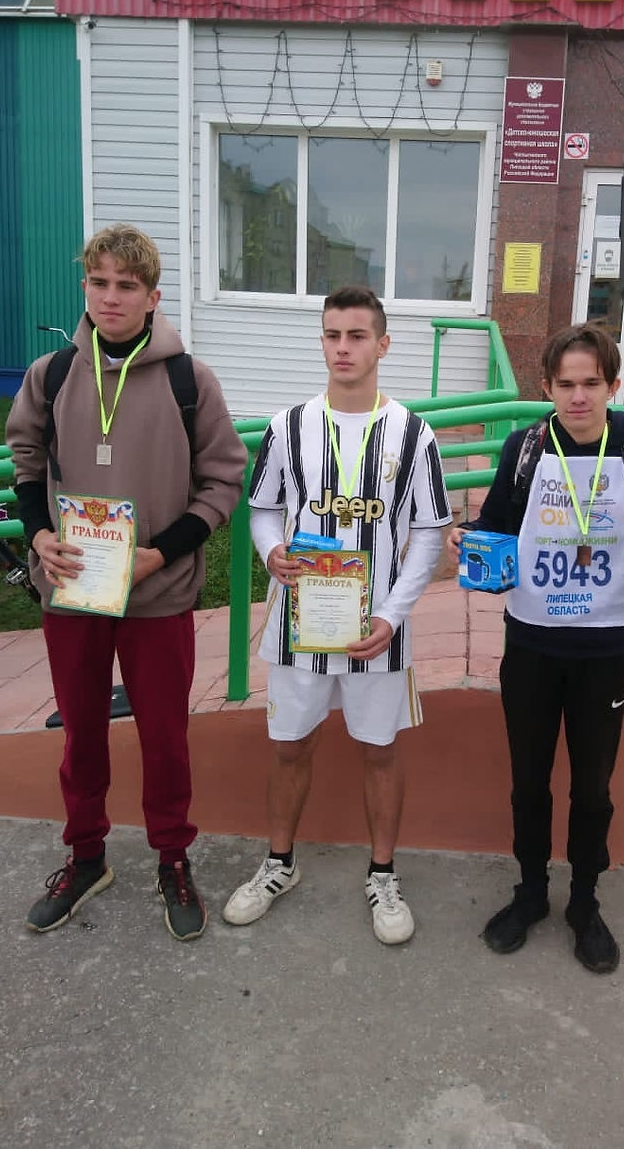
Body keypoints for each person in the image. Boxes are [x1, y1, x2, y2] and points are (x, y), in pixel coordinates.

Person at [448, 322, 624, 973]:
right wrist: (467, 536)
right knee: (528, 780)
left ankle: (584, 902)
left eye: (591, 383)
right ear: (546, 387)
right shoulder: (524, 448)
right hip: (531, 642)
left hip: (604, 648)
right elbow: (495, 521)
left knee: (594, 787)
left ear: (613, 385)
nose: (578, 397)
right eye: (565, 384)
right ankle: (530, 892)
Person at [6, 224, 246, 941]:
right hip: (74, 590)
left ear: (152, 297)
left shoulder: (189, 380)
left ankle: (173, 857)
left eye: (126, 286)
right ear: (85, 286)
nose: (110, 297)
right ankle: (86, 858)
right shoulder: (50, 375)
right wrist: (38, 535)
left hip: (157, 594)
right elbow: (25, 462)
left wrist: (160, 554)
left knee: (165, 739)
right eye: (99, 282)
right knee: (81, 736)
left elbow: (222, 482)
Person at [223, 285, 451, 945]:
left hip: (376, 629)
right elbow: (263, 509)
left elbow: (429, 533)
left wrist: (393, 615)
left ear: (383, 344)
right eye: (332, 335)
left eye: (356, 335)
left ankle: (383, 874)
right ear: (321, 341)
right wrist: (272, 552)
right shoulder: (288, 426)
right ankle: (279, 864)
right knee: (290, 745)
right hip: (300, 623)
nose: (342, 347)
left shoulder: (414, 433)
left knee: (380, 749)